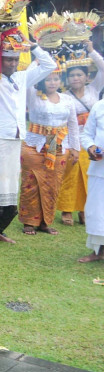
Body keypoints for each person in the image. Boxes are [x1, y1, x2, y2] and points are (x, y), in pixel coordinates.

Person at [0, 0, 57, 248]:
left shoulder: (22, 76)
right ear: (0, 60)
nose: (10, 63)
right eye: (6, 59)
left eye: (13, 58)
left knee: (8, 187)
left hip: (14, 136)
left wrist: (31, 46)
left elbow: (49, 65)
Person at [18, 19, 80, 235]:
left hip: (59, 146)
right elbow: (34, 70)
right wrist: (38, 47)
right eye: (49, 79)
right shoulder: (33, 95)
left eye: (56, 79)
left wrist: (76, 148)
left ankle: (45, 222)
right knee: (31, 182)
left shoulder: (66, 99)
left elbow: (72, 124)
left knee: (53, 183)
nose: (52, 82)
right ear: (42, 81)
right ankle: (29, 221)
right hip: (35, 145)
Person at [57, 13, 103, 226]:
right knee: (71, 172)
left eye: (79, 75)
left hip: (92, 136)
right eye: (72, 76)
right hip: (70, 137)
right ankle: (67, 209)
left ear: (87, 77)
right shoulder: (63, 96)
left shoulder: (94, 89)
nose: (76, 78)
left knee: (89, 172)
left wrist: (92, 51)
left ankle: (85, 210)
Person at [79, 99, 104, 262]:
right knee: (97, 211)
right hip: (100, 167)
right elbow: (86, 134)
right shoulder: (99, 106)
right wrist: (91, 146)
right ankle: (98, 252)